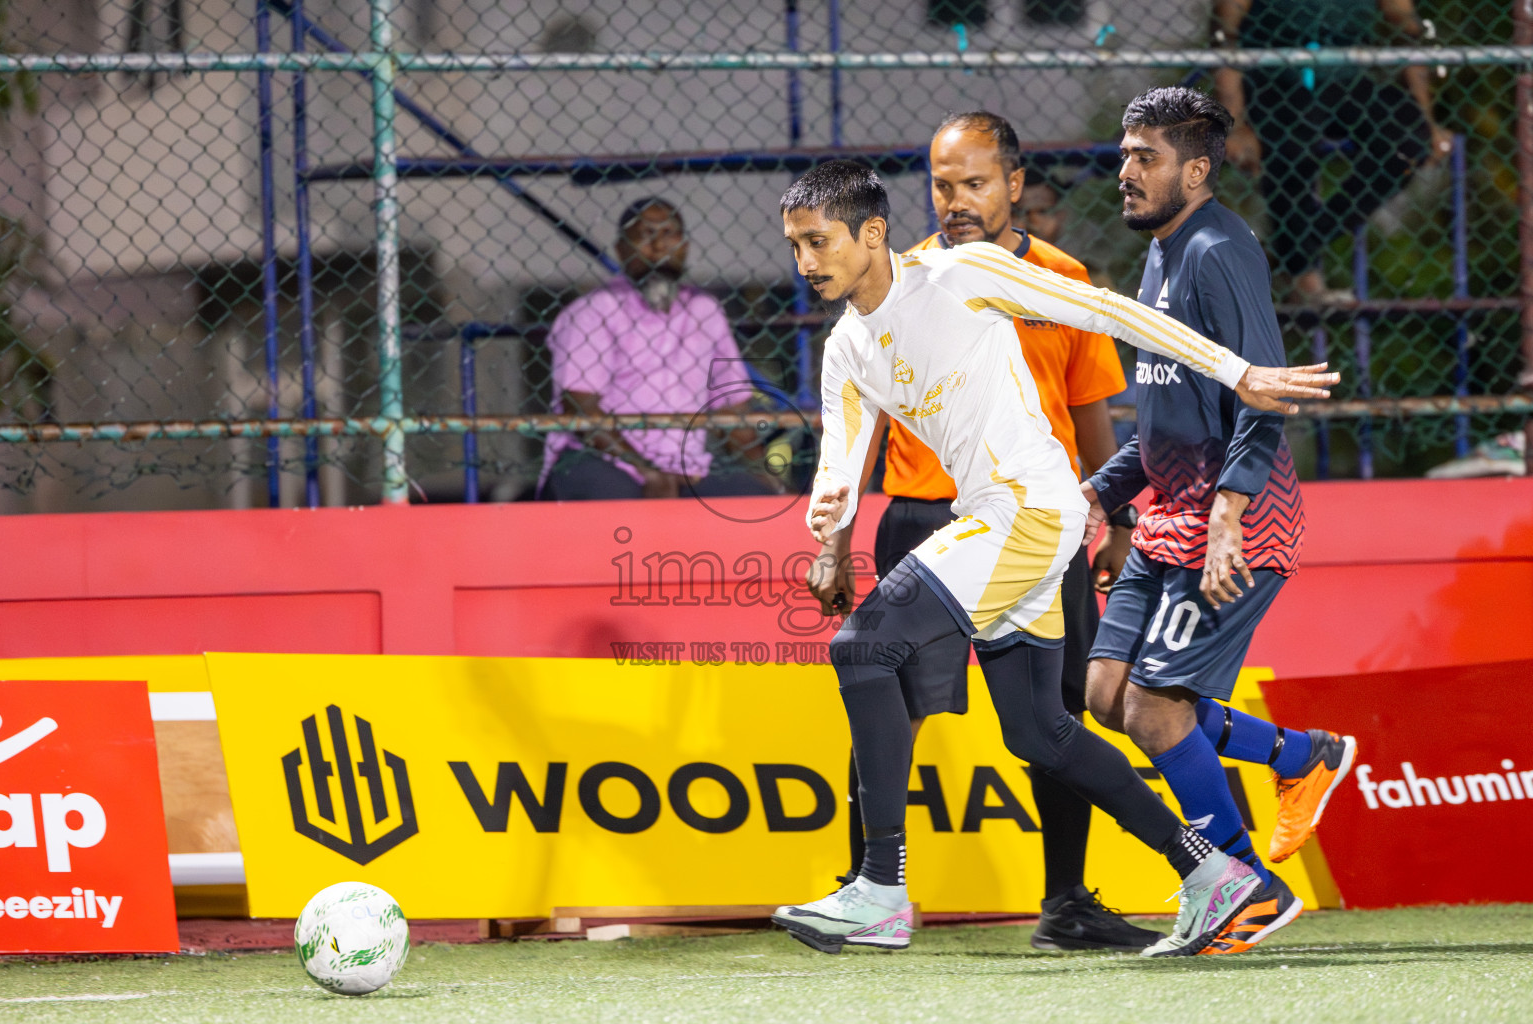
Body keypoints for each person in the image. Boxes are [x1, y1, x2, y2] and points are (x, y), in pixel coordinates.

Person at [769, 159, 1337, 957]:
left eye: (817, 242)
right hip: (1006, 521)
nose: (805, 262)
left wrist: (1238, 372)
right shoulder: (846, 347)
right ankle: (1220, 881)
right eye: (794, 245)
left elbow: (1106, 310)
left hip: (1029, 511)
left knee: (863, 648)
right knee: (1040, 732)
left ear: (871, 234)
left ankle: (880, 889)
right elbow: (842, 457)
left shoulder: (961, 275)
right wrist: (828, 514)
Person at [806, 112, 1156, 952]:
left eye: (974, 182)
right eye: (941, 183)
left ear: (1014, 184)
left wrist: (1112, 519)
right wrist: (832, 541)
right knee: (886, 699)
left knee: (1050, 720)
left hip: (1034, 521)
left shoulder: (1060, 278)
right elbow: (857, 427)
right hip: (922, 517)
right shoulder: (908, 278)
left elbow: (1089, 411)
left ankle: (1065, 902)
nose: (956, 198)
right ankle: (870, 888)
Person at [1084, 87, 1358, 957]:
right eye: (1126, 154)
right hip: (1167, 510)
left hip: (1235, 517)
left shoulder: (1216, 250)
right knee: (1104, 699)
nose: (1126, 172)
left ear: (1195, 171)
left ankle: (1242, 886)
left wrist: (1232, 517)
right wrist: (1100, 492)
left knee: (1156, 710)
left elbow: (1263, 390)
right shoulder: (1162, 254)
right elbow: (1169, 411)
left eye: (1146, 157)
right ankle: (1301, 757)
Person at [538, 198, 781, 500]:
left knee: (752, 503)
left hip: (688, 466)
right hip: (601, 457)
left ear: (685, 246)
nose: (658, 245)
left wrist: (768, 479)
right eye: (644, 234)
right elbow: (581, 408)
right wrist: (646, 470)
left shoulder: (705, 311)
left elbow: (732, 406)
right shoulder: (593, 311)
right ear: (621, 249)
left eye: (669, 234)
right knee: (618, 506)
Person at [1213, 0, 1451, 302]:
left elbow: (1410, 33)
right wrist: (1235, 123)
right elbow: (1225, 35)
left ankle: (1297, 247)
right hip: (1275, 79)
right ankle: (1303, 276)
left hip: (1345, 81)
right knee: (1291, 146)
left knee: (1408, 141)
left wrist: (1428, 121)